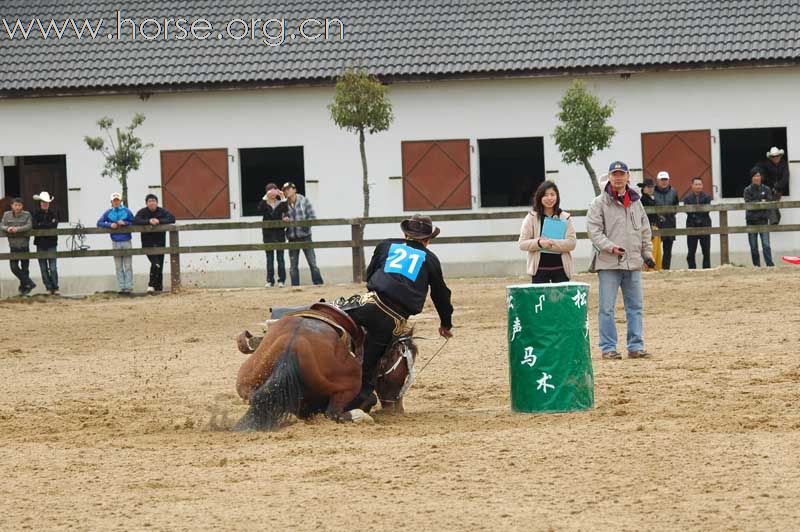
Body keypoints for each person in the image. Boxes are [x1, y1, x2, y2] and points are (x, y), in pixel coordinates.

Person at [343, 214, 453, 408]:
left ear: (405, 233)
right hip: (391, 318)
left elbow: (370, 275)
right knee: (370, 362)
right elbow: (441, 295)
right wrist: (446, 324)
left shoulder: (386, 245)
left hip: (367, 302)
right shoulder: (430, 260)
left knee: (334, 315)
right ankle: (360, 398)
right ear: (428, 240)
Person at [587, 161, 656, 360]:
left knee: (635, 307)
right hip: (608, 263)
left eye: (621, 174)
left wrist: (648, 254)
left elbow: (644, 230)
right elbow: (594, 232)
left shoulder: (636, 202)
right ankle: (608, 348)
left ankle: (635, 346)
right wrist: (611, 247)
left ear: (628, 177)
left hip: (633, 262)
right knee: (607, 308)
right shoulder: (598, 203)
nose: (618, 178)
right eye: (614, 174)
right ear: (608, 177)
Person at [518, 180, 577, 283]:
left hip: (561, 270)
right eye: (545, 195)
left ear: (557, 197)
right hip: (539, 271)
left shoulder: (565, 217)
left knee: (561, 300)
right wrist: (539, 243)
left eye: (552, 194)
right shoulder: (531, 218)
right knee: (540, 299)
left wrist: (550, 243)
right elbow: (522, 244)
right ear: (539, 197)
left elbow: (571, 243)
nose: (549, 198)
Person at [281, 182, 323, 286]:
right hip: (292, 237)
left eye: (289, 189)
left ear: (294, 190)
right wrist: (284, 220)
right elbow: (281, 220)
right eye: (285, 190)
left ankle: (318, 284)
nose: (287, 191)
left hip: (306, 237)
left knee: (312, 263)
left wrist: (304, 225)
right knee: (293, 266)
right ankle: (295, 287)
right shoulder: (283, 204)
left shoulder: (304, 201)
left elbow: (313, 217)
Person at [133, 194, 175, 293]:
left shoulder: (162, 211)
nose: (152, 203)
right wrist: (149, 221)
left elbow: (172, 218)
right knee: (155, 263)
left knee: (159, 265)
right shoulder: (142, 212)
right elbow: (136, 221)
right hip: (148, 243)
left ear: (157, 202)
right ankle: (151, 285)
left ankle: (158, 288)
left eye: (153, 201)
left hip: (160, 243)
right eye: (149, 201)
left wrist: (159, 221)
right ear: (146, 203)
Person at [97, 192, 135, 293]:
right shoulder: (108, 213)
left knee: (128, 265)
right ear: (111, 202)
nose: (116, 202)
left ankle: (129, 287)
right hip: (115, 241)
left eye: (117, 200)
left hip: (126, 240)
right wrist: (110, 225)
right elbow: (99, 223)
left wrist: (125, 223)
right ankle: (121, 287)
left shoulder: (127, 211)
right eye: (114, 201)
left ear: (120, 201)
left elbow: (134, 222)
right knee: (118, 266)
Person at [0, 197, 36, 295]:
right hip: (13, 246)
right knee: (14, 267)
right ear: (12, 206)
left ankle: (24, 290)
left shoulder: (27, 214)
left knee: (25, 268)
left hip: (24, 245)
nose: (17, 207)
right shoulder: (6, 215)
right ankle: (29, 283)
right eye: (15, 205)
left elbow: (29, 226)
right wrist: (8, 228)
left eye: (19, 205)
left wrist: (17, 229)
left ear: (22, 206)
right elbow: (1, 225)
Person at [257, 183, 288, 288]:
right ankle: (270, 280)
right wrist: (266, 196)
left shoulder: (280, 203)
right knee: (269, 258)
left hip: (279, 234)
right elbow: (259, 209)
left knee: (280, 258)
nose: (273, 193)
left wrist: (283, 196)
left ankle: (281, 280)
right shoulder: (264, 204)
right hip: (268, 235)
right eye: (271, 191)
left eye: (274, 190)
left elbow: (286, 210)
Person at [743, 168, 775, 267]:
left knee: (766, 244)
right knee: (753, 246)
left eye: (758, 175)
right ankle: (756, 265)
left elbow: (769, 202)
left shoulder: (766, 189)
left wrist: (759, 203)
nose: (757, 178)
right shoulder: (747, 190)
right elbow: (748, 204)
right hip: (751, 221)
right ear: (752, 178)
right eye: (755, 176)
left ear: (761, 177)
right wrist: (761, 202)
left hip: (763, 220)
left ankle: (769, 265)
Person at [31, 191, 60, 295]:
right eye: (43, 202)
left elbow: (55, 224)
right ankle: (49, 287)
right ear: (40, 203)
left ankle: (55, 287)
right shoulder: (35, 213)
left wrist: (41, 224)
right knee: (43, 268)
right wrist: (47, 224)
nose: (44, 204)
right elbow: (34, 226)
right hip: (40, 243)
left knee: (52, 268)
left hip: (51, 243)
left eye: (46, 202)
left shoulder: (54, 212)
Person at [682, 177, 712, 269]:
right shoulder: (687, 198)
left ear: (702, 186)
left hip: (705, 224)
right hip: (691, 225)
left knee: (706, 250)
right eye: (696, 184)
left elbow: (706, 210)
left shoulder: (707, 197)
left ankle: (706, 269)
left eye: (700, 184)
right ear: (692, 185)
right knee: (691, 251)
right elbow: (688, 211)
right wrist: (695, 217)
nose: (698, 186)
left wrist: (698, 216)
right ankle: (692, 269)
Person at [653, 171, 678, 270]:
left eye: (665, 180)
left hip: (670, 222)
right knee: (655, 247)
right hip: (656, 222)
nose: (664, 182)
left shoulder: (674, 191)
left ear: (668, 180)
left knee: (668, 249)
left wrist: (669, 214)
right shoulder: (652, 191)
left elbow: (676, 206)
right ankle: (654, 267)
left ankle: (666, 269)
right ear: (657, 181)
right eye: (662, 180)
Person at [759, 146, 789, 224]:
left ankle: (774, 220)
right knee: (770, 200)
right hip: (768, 188)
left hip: (780, 189)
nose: (775, 157)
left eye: (777, 156)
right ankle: (775, 219)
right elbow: (762, 175)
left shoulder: (784, 164)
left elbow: (785, 178)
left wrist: (777, 186)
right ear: (771, 157)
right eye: (773, 156)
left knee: (771, 201)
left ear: (780, 156)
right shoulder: (766, 164)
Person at [637, 178, 661, 270]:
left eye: (652, 187)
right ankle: (650, 267)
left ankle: (655, 267)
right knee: (651, 249)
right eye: (648, 187)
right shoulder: (643, 200)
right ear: (643, 188)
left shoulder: (651, 199)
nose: (651, 189)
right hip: (649, 227)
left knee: (657, 250)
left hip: (655, 226)